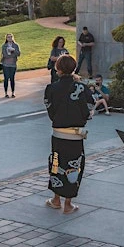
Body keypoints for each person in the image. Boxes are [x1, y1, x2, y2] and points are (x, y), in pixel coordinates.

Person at [44, 55, 90, 215]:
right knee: (74, 166)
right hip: (76, 136)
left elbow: (51, 112)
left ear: (58, 69)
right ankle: (68, 204)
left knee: (56, 164)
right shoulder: (83, 88)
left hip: (58, 135)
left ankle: (56, 199)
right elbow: (89, 111)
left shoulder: (51, 89)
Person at [1, 33, 21, 98]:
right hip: (5, 65)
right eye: (8, 37)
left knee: (12, 78)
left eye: (11, 37)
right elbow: (5, 55)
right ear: (6, 38)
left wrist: (13, 51)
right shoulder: (4, 46)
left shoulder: (16, 45)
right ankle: (6, 93)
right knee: (6, 78)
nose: (10, 38)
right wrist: (12, 54)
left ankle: (13, 92)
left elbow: (18, 54)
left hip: (13, 65)